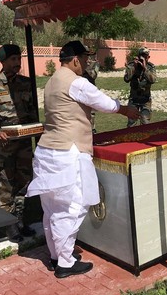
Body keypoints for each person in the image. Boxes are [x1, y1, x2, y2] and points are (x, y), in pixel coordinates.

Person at [26, 40, 139, 278]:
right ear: (75, 59)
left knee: (52, 208)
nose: (87, 64)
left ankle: (57, 254)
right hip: (69, 152)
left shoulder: (52, 80)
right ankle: (65, 263)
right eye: (85, 59)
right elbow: (105, 103)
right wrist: (124, 109)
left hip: (47, 151)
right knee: (73, 205)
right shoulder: (76, 82)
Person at [0, 44, 38, 243]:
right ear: (3, 62)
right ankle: (9, 226)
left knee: (24, 182)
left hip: (23, 142)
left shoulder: (26, 83)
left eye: (18, 59)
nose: (17, 63)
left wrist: (37, 131)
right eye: (12, 60)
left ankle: (20, 221)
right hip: (5, 144)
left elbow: (32, 112)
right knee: (6, 183)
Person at [123, 47, 157, 127]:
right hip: (134, 99)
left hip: (145, 100)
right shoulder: (132, 65)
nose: (143, 58)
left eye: (145, 56)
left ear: (148, 57)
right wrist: (134, 68)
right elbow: (126, 79)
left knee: (145, 123)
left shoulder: (150, 67)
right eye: (141, 55)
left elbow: (153, 80)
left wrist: (145, 68)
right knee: (131, 123)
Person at [82, 53, 100, 133]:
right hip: (82, 93)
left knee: (91, 115)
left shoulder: (93, 65)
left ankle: (92, 130)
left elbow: (93, 76)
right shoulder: (82, 66)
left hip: (90, 93)